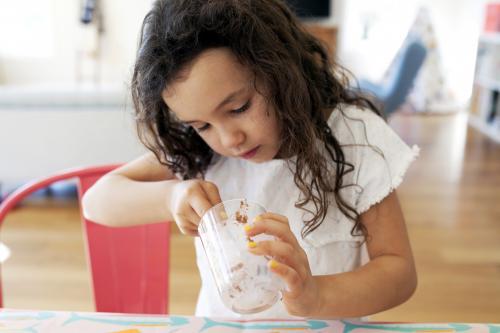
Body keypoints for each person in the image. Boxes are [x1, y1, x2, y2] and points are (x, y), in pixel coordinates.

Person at [82, 0, 418, 319]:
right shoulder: (199, 150)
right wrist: (170, 197)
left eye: (239, 108)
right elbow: (97, 201)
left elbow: (398, 271)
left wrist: (317, 294)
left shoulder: (355, 140)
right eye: (201, 125)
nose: (228, 139)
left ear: (279, 70)